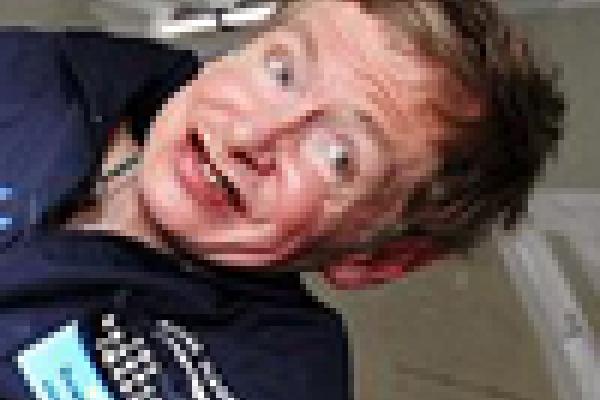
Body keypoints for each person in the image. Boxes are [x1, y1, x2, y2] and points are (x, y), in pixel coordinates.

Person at [0, 0, 564, 399]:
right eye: (282, 70)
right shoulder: (46, 73)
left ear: (377, 258)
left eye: (337, 154)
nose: (250, 135)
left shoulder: (266, 378)